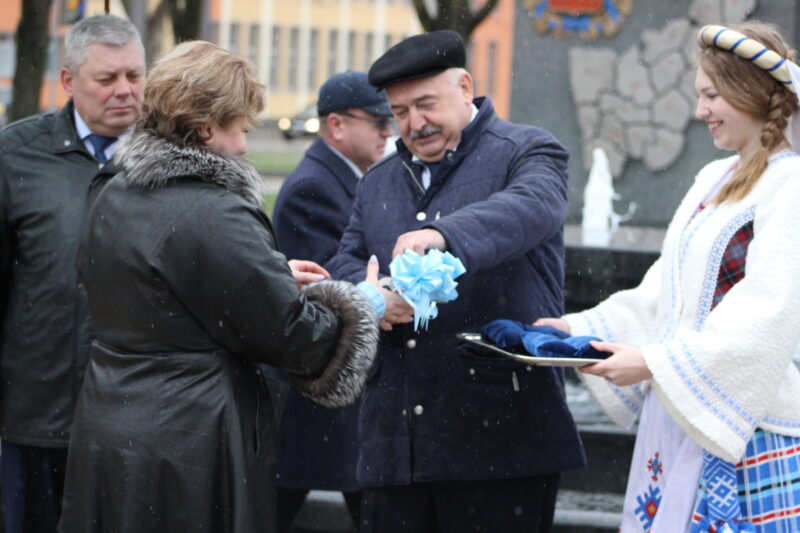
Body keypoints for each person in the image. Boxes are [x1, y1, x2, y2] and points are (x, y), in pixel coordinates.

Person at [57, 41, 385, 533]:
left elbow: (150, 287)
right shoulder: (216, 211)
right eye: (243, 128)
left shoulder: (113, 193)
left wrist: (266, 273)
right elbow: (296, 337)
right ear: (208, 128)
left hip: (110, 421)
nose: (246, 146)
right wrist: (365, 303)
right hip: (190, 439)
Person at [537, 22, 800, 532]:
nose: (700, 110)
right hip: (687, 411)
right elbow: (666, 289)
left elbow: (768, 311)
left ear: (751, 94)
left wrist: (655, 364)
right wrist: (581, 331)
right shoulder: (713, 179)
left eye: (711, 95)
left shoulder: (791, 187)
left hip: (746, 427)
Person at [326, 30, 585, 532]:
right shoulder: (378, 180)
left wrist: (441, 235)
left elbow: (533, 207)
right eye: (399, 112)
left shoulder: (528, 150)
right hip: (395, 446)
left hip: (500, 441)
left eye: (426, 104)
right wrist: (371, 292)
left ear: (465, 87)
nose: (413, 123)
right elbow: (345, 260)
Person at [0, 15, 144, 533]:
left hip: (139, 417)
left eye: (134, 75)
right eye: (107, 80)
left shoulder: (171, 161)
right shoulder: (15, 157)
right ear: (68, 81)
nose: (125, 91)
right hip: (36, 413)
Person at [272, 70, 393, 531]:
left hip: (325, 387)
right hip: (319, 389)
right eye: (378, 121)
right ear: (337, 126)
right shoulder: (315, 187)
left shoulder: (339, 177)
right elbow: (329, 288)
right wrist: (385, 294)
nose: (388, 131)